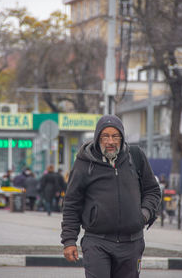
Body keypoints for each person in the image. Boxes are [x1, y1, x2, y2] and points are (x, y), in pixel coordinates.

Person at [61, 115, 161, 278]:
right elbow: (72, 203)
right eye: (105, 136)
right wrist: (69, 240)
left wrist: (144, 214)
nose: (110, 141)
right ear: (97, 138)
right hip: (97, 242)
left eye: (115, 136)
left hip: (132, 243)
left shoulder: (135, 156)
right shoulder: (85, 162)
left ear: (121, 137)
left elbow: (153, 190)